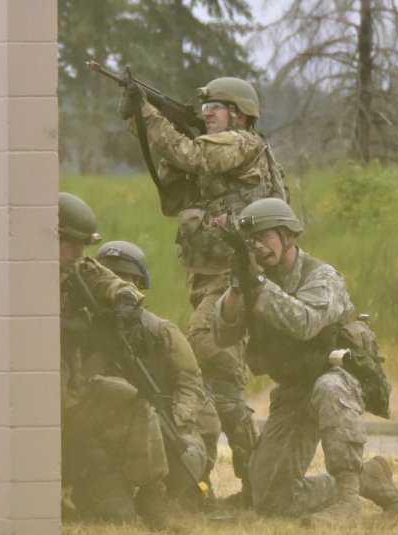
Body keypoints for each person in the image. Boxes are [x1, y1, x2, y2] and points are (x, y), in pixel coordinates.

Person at [118, 75, 286, 497]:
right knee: (219, 383)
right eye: (205, 108)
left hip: (234, 279)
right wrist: (139, 121)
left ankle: (241, 481)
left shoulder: (242, 143)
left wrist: (150, 114)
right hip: (210, 279)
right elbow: (175, 183)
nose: (207, 114)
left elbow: (190, 154)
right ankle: (249, 483)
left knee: (202, 361)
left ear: (240, 115)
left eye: (216, 108)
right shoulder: (217, 152)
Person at [211, 198, 398, 525]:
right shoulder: (256, 281)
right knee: (271, 499)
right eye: (251, 241)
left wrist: (258, 283)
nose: (258, 247)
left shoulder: (322, 276)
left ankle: (348, 501)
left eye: (264, 237)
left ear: (288, 236)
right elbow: (222, 334)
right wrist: (238, 286)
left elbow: (304, 323)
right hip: (294, 390)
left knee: (328, 387)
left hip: (338, 376)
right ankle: (368, 479)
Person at [57, 193, 171, 529]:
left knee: (132, 398)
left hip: (72, 401)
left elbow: (111, 283)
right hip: (38, 409)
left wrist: (125, 301)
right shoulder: (16, 276)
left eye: (83, 244)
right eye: (71, 243)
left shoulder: (77, 270)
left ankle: (153, 497)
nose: (79, 252)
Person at [95, 240, 222, 504]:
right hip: (116, 425)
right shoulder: (92, 330)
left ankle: (180, 491)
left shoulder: (160, 332)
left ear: (138, 284)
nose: (117, 283)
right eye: (111, 276)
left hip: (166, 420)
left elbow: (190, 385)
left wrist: (174, 423)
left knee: (185, 453)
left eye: (125, 277)